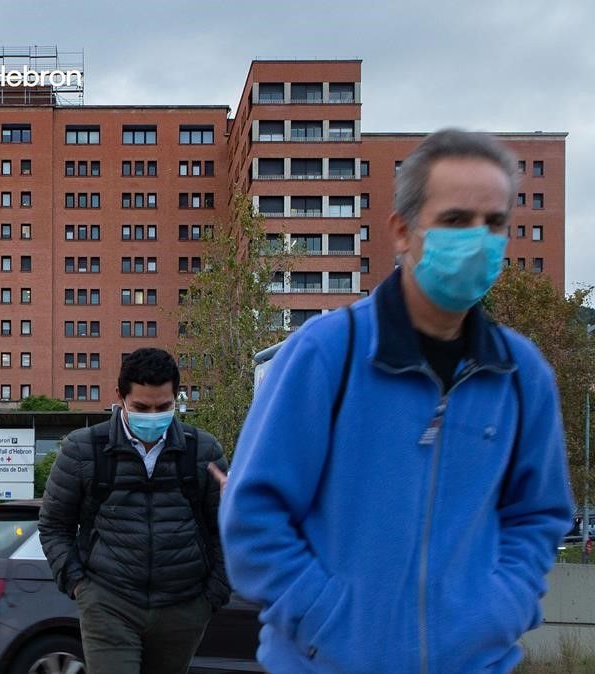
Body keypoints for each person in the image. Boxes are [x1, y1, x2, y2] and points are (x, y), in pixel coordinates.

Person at [221, 129, 573, 673]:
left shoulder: (522, 374)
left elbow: (539, 514)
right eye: (456, 220)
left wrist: (500, 610)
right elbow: (253, 516)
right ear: (403, 232)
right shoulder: (326, 355)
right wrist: (325, 617)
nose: (479, 240)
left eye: (495, 223)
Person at [38, 347, 229, 674]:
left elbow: (225, 531)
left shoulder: (202, 450)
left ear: (176, 398)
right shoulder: (83, 450)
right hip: (109, 602)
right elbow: (55, 525)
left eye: (164, 406)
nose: (153, 415)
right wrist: (79, 586)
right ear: (120, 397)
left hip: (184, 606)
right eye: (141, 407)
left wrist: (212, 595)